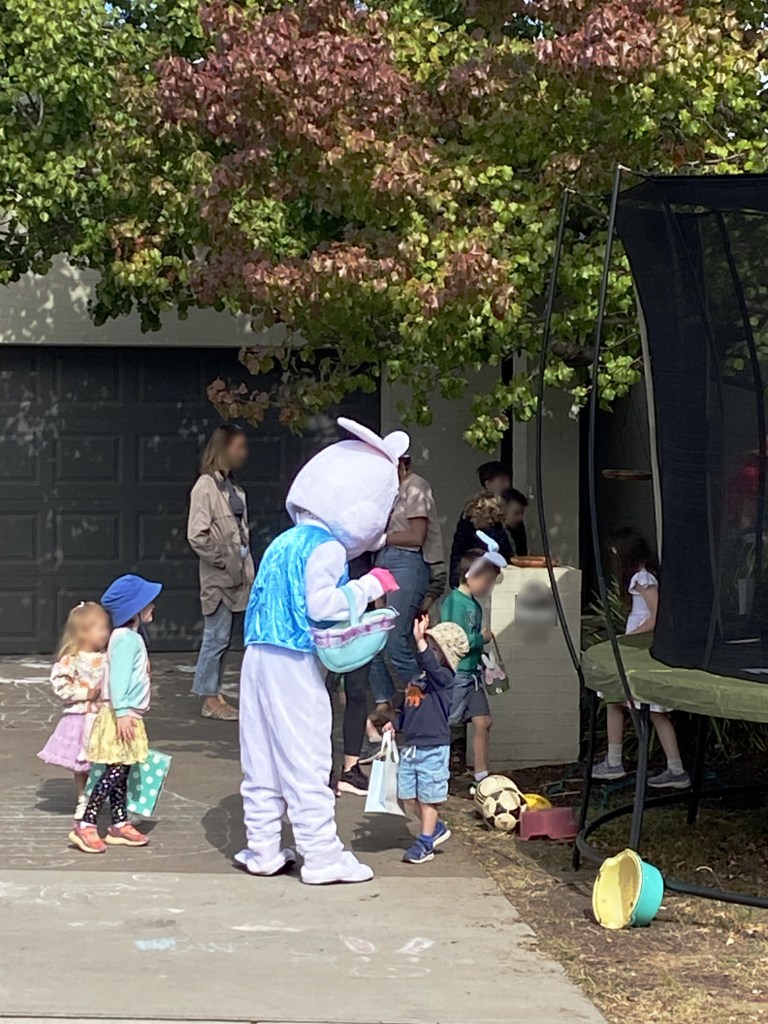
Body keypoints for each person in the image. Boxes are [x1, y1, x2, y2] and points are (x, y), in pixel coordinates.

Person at [236, 418, 408, 885]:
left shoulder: (283, 541)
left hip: (257, 655)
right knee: (307, 754)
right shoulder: (327, 547)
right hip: (293, 659)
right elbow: (322, 606)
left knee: (261, 756)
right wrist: (368, 586)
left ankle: (263, 846)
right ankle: (321, 854)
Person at [69, 574, 162, 854]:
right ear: (135, 608)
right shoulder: (125, 639)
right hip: (121, 715)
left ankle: (119, 822)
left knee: (122, 770)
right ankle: (86, 823)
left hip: (127, 714)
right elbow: (119, 679)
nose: (153, 606)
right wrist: (122, 712)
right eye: (149, 602)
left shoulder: (128, 637)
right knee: (115, 770)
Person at [592, 528, 690, 789]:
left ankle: (666, 768)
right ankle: (622, 761)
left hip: (639, 648)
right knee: (618, 699)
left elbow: (657, 615)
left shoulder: (641, 578)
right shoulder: (644, 576)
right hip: (639, 647)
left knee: (646, 706)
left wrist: (629, 637)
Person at [383, 618, 469, 864]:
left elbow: (431, 665)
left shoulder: (445, 679)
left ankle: (425, 842)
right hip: (411, 747)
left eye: (434, 648)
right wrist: (396, 723)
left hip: (433, 747)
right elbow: (408, 706)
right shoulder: (418, 678)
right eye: (429, 646)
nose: (428, 651)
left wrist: (419, 641)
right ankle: (435, 828)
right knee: (408, 797)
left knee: (429, 798)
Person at [187, 423, 255, 721]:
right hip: (219, 579)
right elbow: (196, 534)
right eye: (238, 447)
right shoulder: (205, 487)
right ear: (223, 448)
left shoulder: (234, 489)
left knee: (226, 638)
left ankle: (215, 693)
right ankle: (209, 698)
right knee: (216, 636)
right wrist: (223, 560)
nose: (243, 453)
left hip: (240, 576)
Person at [369, 455, 443, 711]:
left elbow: (416, 536)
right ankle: (386, 700)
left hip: (407, 560)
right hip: (383, 560)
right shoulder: (389, 489)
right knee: (372, 637)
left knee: (395, 637)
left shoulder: (415, 486)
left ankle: (425, 696)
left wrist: (381, 538)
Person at [37, 602, 110, 823]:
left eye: (107, 628)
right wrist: (85, 693)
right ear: (84, 632)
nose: (106, 633)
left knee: (108, 760)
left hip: (105, 717)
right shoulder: (71, 660)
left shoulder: (109, 656)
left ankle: (108, 796)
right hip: (80, 718)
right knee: (82, 764)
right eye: (101, 628)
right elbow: (61, 687)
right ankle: (83, 799)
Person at [442, 538, 505, 785]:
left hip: (474, 674)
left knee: (483, 721)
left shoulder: (473, 605)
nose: (489, 587)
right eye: (487, 581)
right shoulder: (454, 603)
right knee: (448, 722)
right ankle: (436, 769)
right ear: (472, 576)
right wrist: (481, 638)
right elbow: (454, 639)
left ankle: (481, 774)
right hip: (459, 673)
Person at [449, 493, 512, 588]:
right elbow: (457, 554)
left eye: (475, 517)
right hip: (467, 580)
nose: (471, 520)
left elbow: (506, 559)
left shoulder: (499, 536)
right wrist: (455, 581)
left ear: (488, 518)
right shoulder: (466, 531)